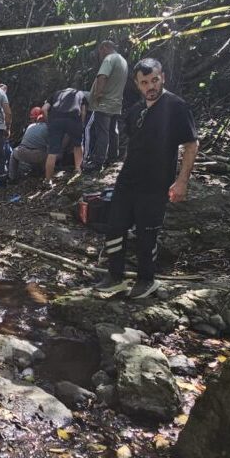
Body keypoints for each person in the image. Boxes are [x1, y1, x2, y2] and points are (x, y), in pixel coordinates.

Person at [96, 59, 198, 299]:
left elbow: (191, 145)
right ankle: (115, 277)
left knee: (146, 232)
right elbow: (133, 145)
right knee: (115, 226)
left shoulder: (176, 106)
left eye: (154, 80)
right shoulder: (135, 111)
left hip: (156, 182)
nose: (150, 86)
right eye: (144, 82)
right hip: (128, 180)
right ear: (137, 84)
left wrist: (182, 181)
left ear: (162, 76)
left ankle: (146, 280)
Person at [87, 40, 129, 171]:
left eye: (100, 51)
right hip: (116, 103)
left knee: (102, 132)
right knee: (113, 131)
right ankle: (112, 157)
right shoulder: (122, 60)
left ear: (104, 48)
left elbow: (102, 76)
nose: (100, 55)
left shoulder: (109, 59)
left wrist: (98, 93)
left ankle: (98, 162)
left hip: (104, 103)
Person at [43, 88, 89, 184]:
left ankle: (48, 180)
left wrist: (49, 123)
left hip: (56, 120)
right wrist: (81, 124)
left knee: (52, 151)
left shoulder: (55, 93)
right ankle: (77, 169)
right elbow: (83, 112)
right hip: (73, 119)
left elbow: (44, 109)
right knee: (77, 145)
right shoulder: (80, 94)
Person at [9, 107, 50, 182]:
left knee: (13, 154)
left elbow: (24, 143)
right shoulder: (48, 127)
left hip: (23, 152)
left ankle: (12, 178)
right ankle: (44, 172)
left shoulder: (30, 126)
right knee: (48, 153)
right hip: (38, 155)